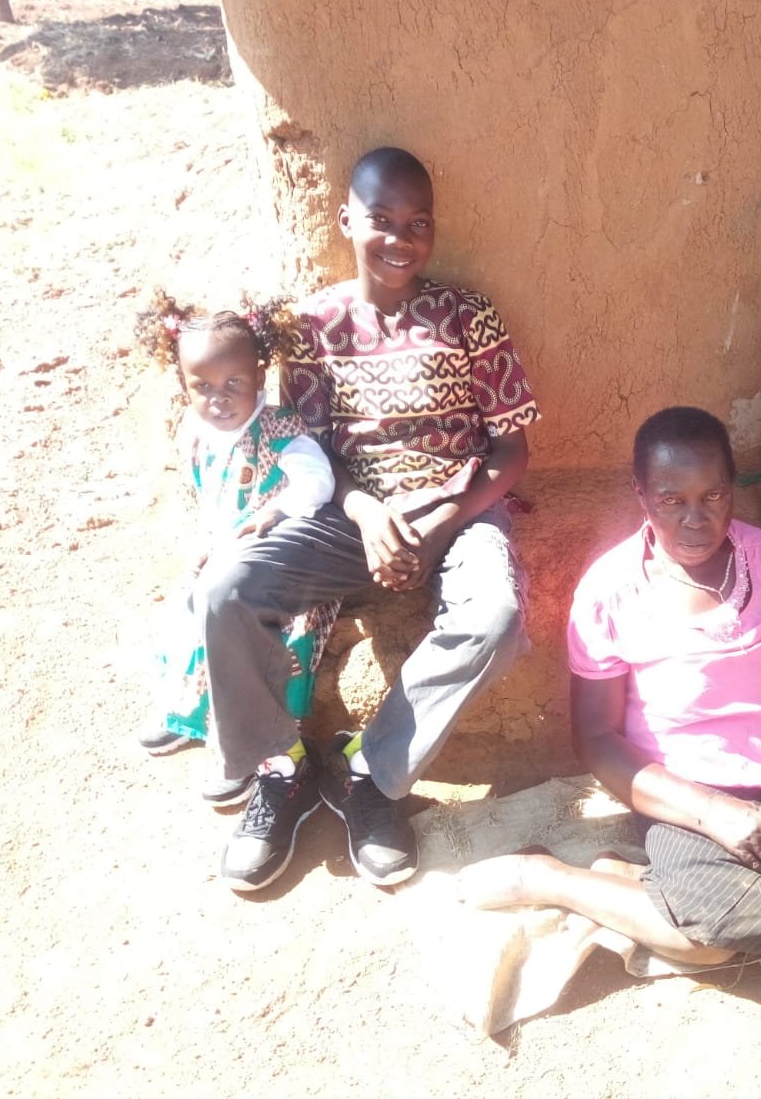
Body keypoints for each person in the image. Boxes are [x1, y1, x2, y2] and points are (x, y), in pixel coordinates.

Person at [198, 145, 540, 892]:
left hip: (459, 506)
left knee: (499, 618)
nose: (400, 239)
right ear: (346, 218)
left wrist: (446, 521)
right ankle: (278, 767)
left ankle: (370, 773)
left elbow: (512, 448)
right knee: (226, 588)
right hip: (346, 511)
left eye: (418, 223)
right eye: (381, 219)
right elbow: (312, 449)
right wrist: (366, 513)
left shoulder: (466, 315)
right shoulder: (314, 325)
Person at [458, 407, 761, 966]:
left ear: (731, 490)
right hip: (679, 794)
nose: (695, 520)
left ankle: (631, 882)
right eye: (671, 501)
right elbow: (597, 739)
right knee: (704, 942)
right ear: (642, 496)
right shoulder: (610, 591)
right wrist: (712, 815)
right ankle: (551, 878)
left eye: (714, 497)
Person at [133, 293, 338, 810]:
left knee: (255, 636)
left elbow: (318, 481)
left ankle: (253, 751)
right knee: (189, 616)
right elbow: (211, 505)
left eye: (234, 385)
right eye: (202, 387)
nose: (219, 399)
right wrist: (206, 547)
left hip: (275, 567)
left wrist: (281, 510)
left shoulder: (280, 430)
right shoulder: (199, 438)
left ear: (260, 377)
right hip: (223, 559)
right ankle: (192, 719)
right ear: (183, 384)